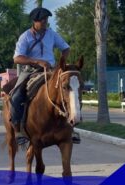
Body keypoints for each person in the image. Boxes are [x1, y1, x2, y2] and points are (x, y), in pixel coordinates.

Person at [11, 7, 80, 145]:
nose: (45, 23)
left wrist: (62, 63)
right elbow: (17, 58)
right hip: (31, 71)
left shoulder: (51, 34)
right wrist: (36, 61)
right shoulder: (25, 36)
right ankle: (18, 130)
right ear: (34, 21)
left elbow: (66, 48)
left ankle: (70, 128)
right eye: (42, 20)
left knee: (67, 92)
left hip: (52, 71)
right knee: (16, 96)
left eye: (46, 20)